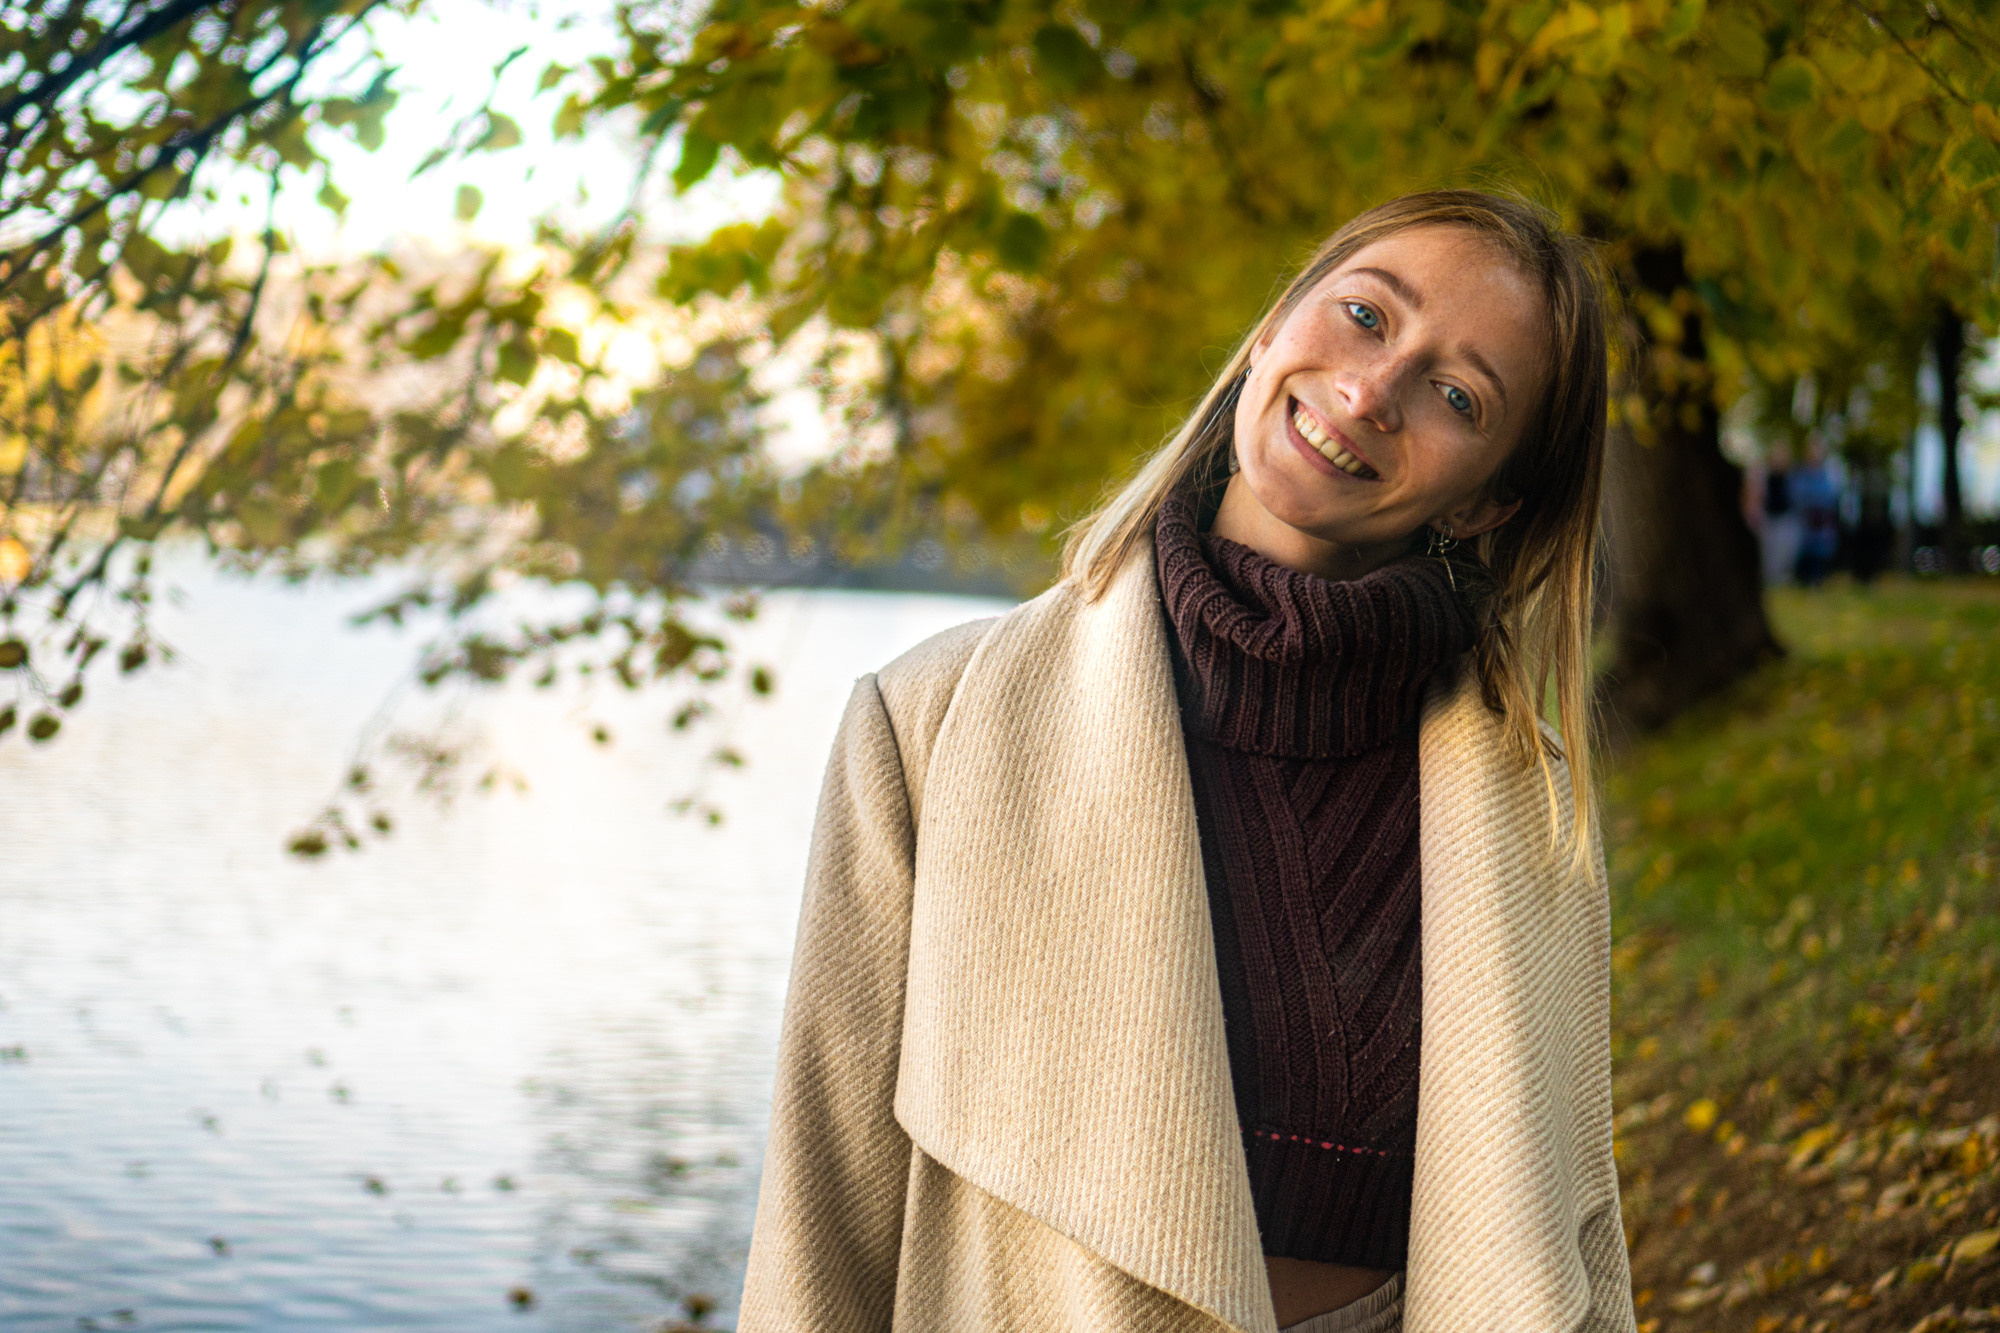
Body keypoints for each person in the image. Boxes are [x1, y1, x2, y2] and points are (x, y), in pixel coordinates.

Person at [739, 191, 1637, 1333]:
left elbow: (1567, 1230)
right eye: (1364, 315)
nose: (1369, 391)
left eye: (1456, 394)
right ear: (1271, 328)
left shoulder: (1525, 800)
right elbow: (824, 1211)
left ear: (1489, 500)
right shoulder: (928, 720)